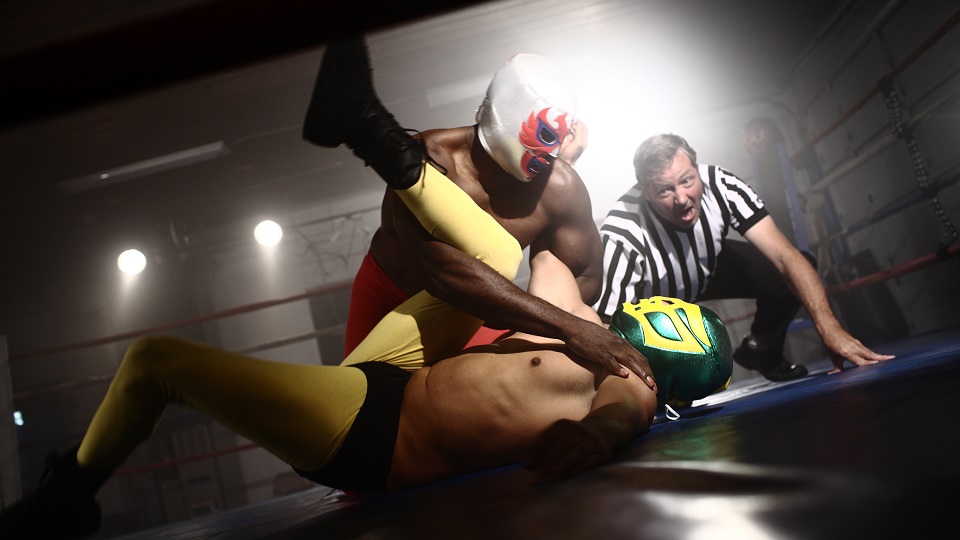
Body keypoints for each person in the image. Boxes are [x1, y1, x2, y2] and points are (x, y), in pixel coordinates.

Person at [302, 36, 657, 389]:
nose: (550, 152)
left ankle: (364, 120)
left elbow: (583, 280)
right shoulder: (435, 162)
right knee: (356, 414)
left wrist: (531, 330)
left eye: (559, 138)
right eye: (546, 132)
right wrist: (566, 326)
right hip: (392, 297)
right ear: (508, 112)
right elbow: (443, 275)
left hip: (478, 312)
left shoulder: (558, 187)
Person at [593, 133, 894, 379]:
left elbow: (785, 257)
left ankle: (762, 347)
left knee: (797, 267)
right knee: (675, 379)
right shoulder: (623, 231)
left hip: (708, 267)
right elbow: (607, 323)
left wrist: (830, 328)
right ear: (645, 191)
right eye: (665, 191)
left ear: (698, 170)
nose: (682, 199)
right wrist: (641, 380)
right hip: (653, 302)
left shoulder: (721, 185)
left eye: (687, 181)